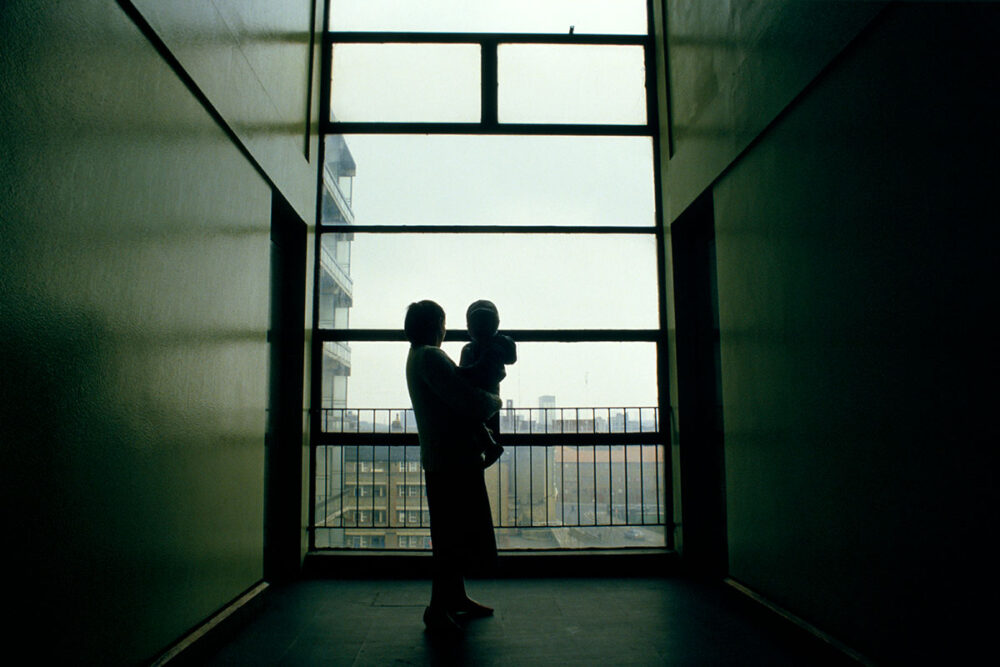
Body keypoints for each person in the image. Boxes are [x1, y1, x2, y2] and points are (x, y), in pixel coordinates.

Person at [404, 300, 501, 635]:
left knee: (449, 534)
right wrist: (494, 401)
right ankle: (438, 608)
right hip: (452, 461)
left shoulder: (415, 357)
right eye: (443, 323)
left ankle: (454, 598)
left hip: (440, 458)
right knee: (450, 538)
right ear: (435, 326)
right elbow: (467, 401)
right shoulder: (431, 357)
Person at [458, 300, 517, 468]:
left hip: (482, 394)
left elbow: (467, 372)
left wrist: (460, 372)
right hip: (486, 393)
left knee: (469, 418)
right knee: (473, 419)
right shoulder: (490, 346)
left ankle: (490, 445)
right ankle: (489, 444)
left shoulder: (478, 349)